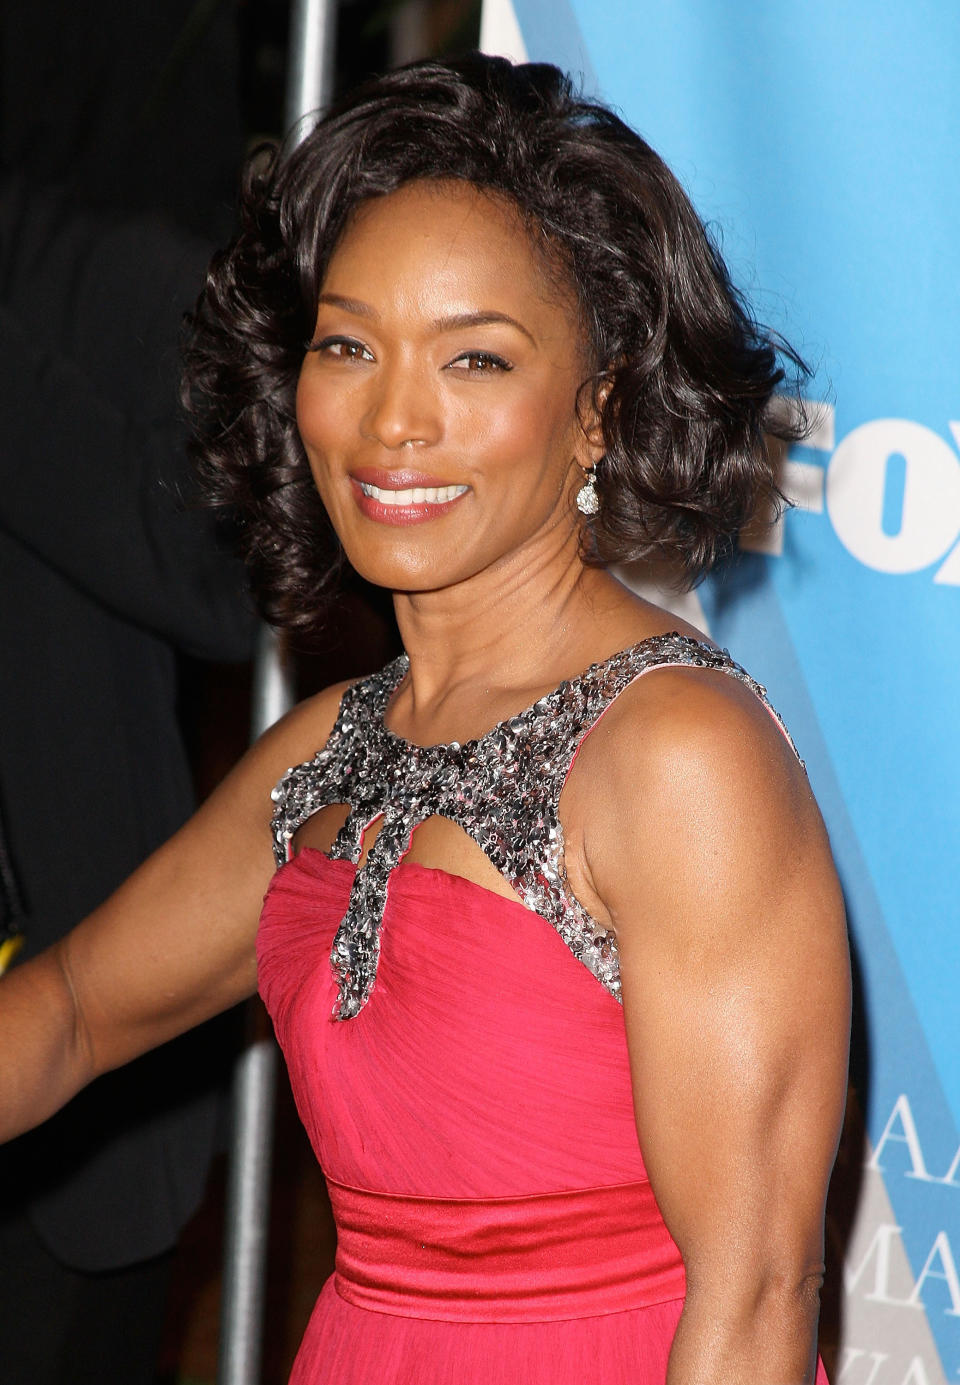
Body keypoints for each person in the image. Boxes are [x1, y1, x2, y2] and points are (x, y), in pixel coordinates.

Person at [0, 55, 850, 1384]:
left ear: (598, 411)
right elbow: (66, 1015)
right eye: (349, 345)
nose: (393, 420)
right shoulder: (328, 748)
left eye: (475, 357)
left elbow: (755, 1297)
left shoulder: (676, 758)